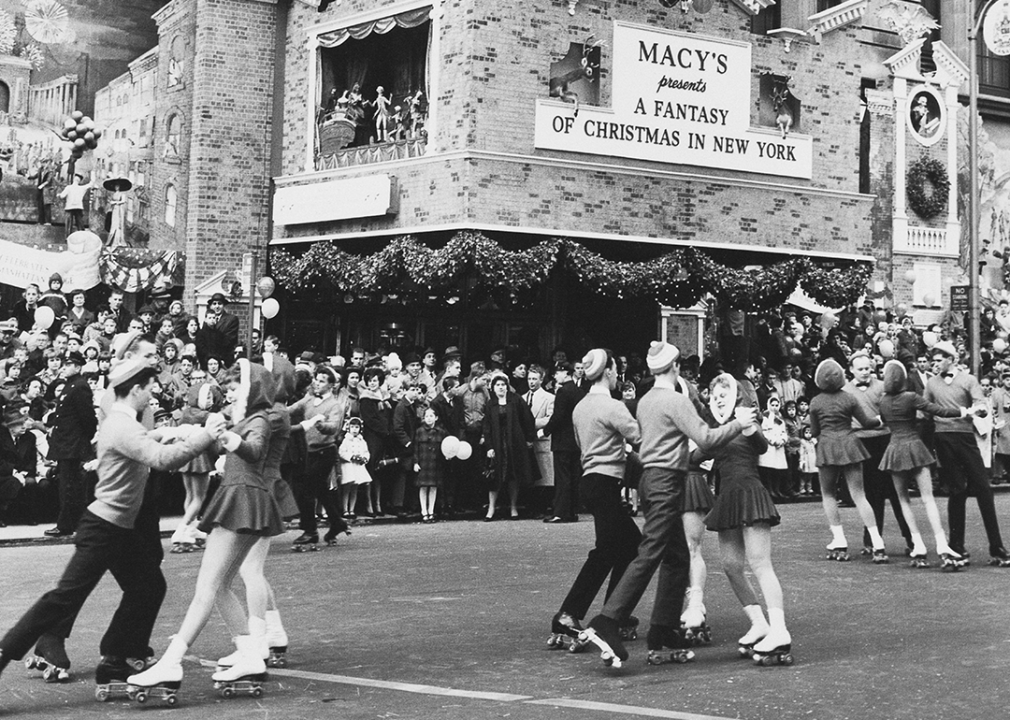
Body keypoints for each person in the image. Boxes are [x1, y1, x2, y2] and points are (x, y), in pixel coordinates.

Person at [0, 360, 219, 689]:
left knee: (148, 586)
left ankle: (117, 659)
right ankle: (4, 652)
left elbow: (143, 438)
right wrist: (204, 436)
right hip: (103, 528)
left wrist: (168, 431)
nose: (152, 392)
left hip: (118, 528)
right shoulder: (122, 425)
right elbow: (161, 458)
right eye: (148, 388)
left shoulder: (123, 421)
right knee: (63, 598)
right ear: (135, 389)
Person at [581, 341, 755, 669]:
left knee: (675, 556)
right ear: (675, 368)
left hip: (654, 481)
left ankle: (663, 630)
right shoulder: (675, 400)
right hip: (666, 482)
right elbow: (704, 437)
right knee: (651, 552)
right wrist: (738, 423)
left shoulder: (647, 400)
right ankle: (607, 620)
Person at [127, 360, 285, 698]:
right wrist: (186, 433)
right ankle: (249, 655)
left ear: (252, 388)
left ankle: (172, 660)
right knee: (222, 584)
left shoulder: (258, 420)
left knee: (207, 586)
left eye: (234, 387)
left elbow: (253, 450)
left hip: (242, 497)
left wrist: (227, 436)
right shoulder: (245, 419)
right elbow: (218, 444)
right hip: (243, 497)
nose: (229, 393)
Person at [548, 349, 642, 652]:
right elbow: (640, 438)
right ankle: (582, 614)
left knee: (625, 546)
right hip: (607, 481)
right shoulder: (613, 406)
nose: (617, 375)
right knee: (611, 550)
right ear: (608, 371)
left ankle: (613, 612)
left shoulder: (580, 407)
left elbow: (580, 443)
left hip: (590, 479)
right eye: (616, 369)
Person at [698, 373, 792, 665]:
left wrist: (748, 425)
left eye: (724, 390)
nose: (719, 395)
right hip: (727, 497)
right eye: (715, 392)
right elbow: (698, 454)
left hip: (750, 493)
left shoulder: (748, 418)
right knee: (730, 565)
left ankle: (780, 630)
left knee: (761, 564)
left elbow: (762, 447)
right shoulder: (713, 425)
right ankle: (759, 623)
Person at [878, 360, 972, 570]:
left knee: (903, 500)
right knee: (928, 498)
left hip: (895, 449)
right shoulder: (911, 397)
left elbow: (884, 421)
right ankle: (941, 544)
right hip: (915, 447)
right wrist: (965, 412)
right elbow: (938, 410)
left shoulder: (883, 401)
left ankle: (917, 543)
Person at [925, 341, 1010, 567]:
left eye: (939, 359)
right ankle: (956, 547)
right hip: (943, 439)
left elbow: (981, 402)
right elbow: (926, 408)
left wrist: (980, 408)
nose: (935, 364)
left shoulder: (969, 379)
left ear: (952, 359)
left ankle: (997, 547)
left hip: (965, 437)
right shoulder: (932, 383)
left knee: (983, 488)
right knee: (956, 490)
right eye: (933, 360)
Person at [808, 359, 885, 562]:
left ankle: (839, 539)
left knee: (828, 494)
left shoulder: (815, 402)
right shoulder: (849, 398)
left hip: (827, 446)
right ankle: (877, 541)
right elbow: (867, 422)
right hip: (850, 444)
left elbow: (814, 431)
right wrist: (881, 419)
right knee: (859, 495)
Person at [844, 350, 912, 556]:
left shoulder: (883, 386)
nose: (865, 372)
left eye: (868, 368)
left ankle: (911, 539)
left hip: (884, 440)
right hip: (861, 443)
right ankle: (872, 539)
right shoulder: (845, 390)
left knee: (896, 490)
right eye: (860, 369)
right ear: (851, 370)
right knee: (871, 493)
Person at [287, 365, 349, 549]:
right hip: (309, 452)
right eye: (316, 379)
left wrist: (321, 425)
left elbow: (334, 427)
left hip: (325, 451)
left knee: (306, 490)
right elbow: (291, 409)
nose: (317, 383)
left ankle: (310, 531)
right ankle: (337, 523)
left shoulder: (334, 405)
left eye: (322, 381)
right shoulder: (309, 399)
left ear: (331, 385)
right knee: (321, 491)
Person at [44, 352, 96, 538]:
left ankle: (66, 524)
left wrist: (83, 438)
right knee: (69, 485)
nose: (64, 367)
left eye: (69, 364)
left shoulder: (80, 386)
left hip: (72, 444)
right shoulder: (71, 385)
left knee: (69, 486)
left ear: (78, 366)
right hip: (67, 443)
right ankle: (73, 523)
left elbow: (87, 418)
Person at [169, 381, 224, 552]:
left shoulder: (185, 413)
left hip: (186, 456)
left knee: (190, 496)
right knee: (199, 497)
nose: (210, 400)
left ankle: (191, 528)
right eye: (206, 396)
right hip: (200, 457)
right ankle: (182, 530)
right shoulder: (207, 416)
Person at [482, 373, 537, 520]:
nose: (501, 387)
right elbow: (486, 427)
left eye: (503, 385)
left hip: (514, 444)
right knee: (494, 478)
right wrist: (489, 447)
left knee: (513, 475)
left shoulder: (516, 400)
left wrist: (529, 438)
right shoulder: (490, 404)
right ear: (493, 388)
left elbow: (527, 419)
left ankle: (513, 508)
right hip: (497, 444)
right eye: (498, 385)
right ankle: (491, 508)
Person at [542, 362, 586, 523]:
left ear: (564, 373)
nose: (555, 376)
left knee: (562, 478)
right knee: (574, 476)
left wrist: (545, 431)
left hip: (562, 441)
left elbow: (558, 416)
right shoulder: (578, 391)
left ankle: (560, 512)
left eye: (557, 373)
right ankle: (572, 511)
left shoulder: (563, 391)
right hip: (575, 440)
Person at [413, 407, 445, 523]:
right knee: (423, 487)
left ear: (436, 418)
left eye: (431, 416)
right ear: (423, 418)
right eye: (426, 416)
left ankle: (431, 511)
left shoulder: (441, 432)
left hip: (435, 463)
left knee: (433, 487)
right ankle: (424, 512)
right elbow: (415, 448)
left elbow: (445, 447)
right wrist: (415, 463)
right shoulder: (419, 431)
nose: (429, 419)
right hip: (423, 462)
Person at [338, 416, 372, 518]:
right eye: (352, 427)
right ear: (348, 428)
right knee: (347, 488)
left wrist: (364, 458)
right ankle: (345, 509)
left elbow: (366, 452)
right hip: (349, 466)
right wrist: (351, 457)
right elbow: (341, 452)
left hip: (358, 467)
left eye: (356, 427)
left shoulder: (362, 441)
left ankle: (352, 509)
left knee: (355, 488)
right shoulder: (346, 440)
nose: (354, 430)